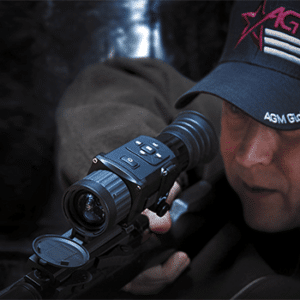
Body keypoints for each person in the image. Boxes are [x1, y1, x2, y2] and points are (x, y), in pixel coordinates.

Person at [55, 0, 300, 298]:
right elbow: (114, 83)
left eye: (290, 124)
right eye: (237, 106)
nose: (249, 158)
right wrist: (132, 178)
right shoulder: (218, 119)